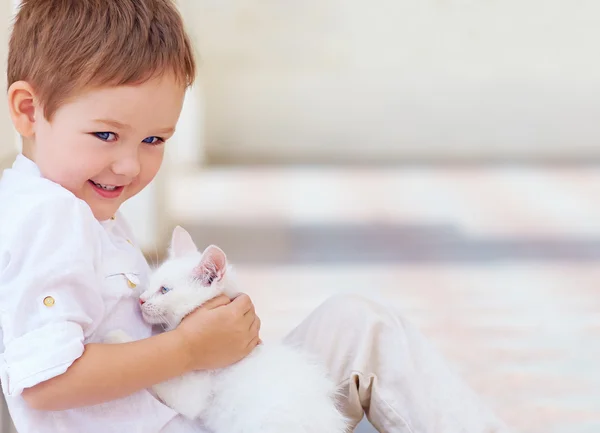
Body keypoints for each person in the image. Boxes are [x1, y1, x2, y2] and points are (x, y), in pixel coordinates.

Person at [0, 1, 510, 432]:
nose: (130, 164)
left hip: (209, 409)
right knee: (364, 332)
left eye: (154, 140)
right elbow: (46, 382)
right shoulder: (51, 217)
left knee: (355, 323)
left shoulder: (79, 214)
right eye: (106, 135)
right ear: (27, 110)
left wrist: (210, 334)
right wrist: (188, 349)